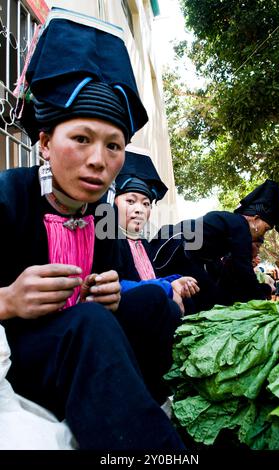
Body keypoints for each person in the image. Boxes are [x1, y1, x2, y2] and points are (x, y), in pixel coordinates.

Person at [0, 8, 185, 450]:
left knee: (155, 306)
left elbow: (110, 290)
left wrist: (113, 291)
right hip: (22, 353)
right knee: (88, 325)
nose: (99, 160)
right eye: (81, 139)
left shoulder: (103, 215)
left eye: (114, 146)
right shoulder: (9, 196)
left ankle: (148, 407)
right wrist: (7, 300)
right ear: (45, 143)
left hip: (83, 347)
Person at [150, 179, 279, 311]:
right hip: (176, 249)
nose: (263, 235)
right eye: (266, 228)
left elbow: (229, 272)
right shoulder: (241, 226)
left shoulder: (232, 224)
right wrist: (261, 299)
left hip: (190, 253)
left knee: (216, 296)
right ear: (256, 219)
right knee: (211, 299)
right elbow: (243, 269)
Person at [113, 145, 199, 315]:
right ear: (113, 203)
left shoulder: (142, 243)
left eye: (146, 204)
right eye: (130, 201)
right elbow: (117, 284)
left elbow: (148, 280)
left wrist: (175, 281)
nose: (140, 210)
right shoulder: (109, 239)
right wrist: (166, 287)